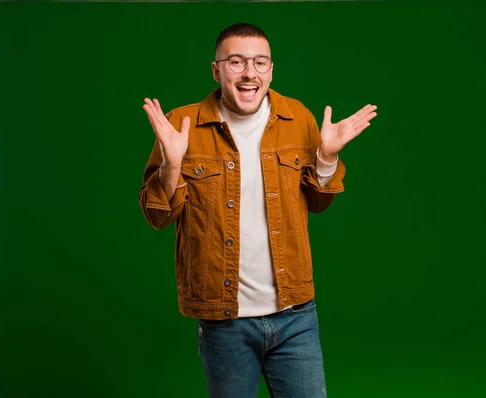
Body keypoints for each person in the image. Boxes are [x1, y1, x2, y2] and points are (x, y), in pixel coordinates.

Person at [138, 22, 377, 398]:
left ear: (270, 69)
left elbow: (318, 203)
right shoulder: (182, 124)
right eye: (236, 61)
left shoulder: (298, 118)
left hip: (296, 314)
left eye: (260, 62)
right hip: (223, 322)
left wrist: (327, 158)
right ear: (216, 71)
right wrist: (171, 165)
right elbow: (157, 216)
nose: (250, 72)